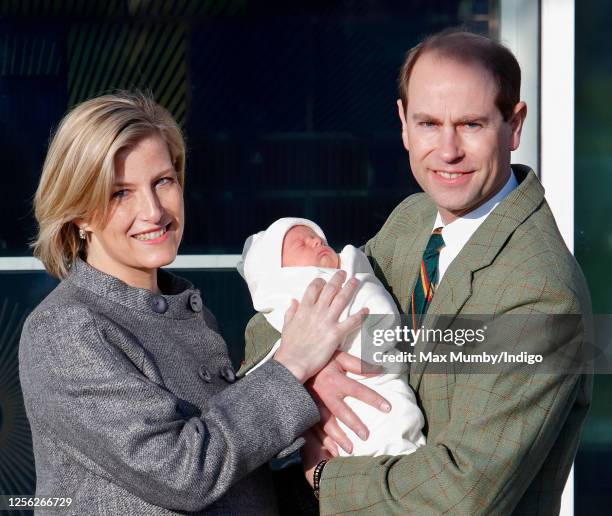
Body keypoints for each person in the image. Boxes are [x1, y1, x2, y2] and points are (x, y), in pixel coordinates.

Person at [245, 30, 593, 513]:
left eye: (471, 124)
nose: (447, 151)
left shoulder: (539, 293)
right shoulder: (413, 220)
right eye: (428, 123)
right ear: (403, 123)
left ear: (514, 126)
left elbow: (461, 494)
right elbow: (286, 307)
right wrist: (310, 372)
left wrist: (323, 475)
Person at [18, 92, 367, 515]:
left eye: (163, 181)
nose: (152, 211)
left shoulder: (186, 312)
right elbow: (184, 472)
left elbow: (234, 476)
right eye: (119, 193)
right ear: (80, 214)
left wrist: (314, 470)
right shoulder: (67, 329)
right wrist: (292, 368)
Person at [237, 217, 426, 457]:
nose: (316, 241)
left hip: (385, 383)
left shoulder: (353, 273)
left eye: (317, 238)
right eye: (302, 244)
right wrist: (307, 373)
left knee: (396, 422)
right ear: (280, 273)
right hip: (349, 411)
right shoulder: (409, 220)